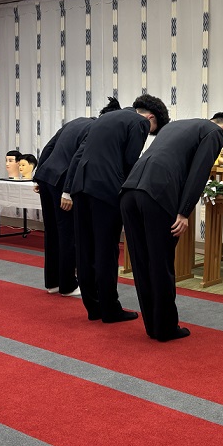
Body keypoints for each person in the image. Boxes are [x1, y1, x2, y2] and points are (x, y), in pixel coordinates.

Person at [119, 112, 223, 342]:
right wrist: (184, 211)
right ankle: (165, 328)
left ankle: (152, 326)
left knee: (142, 263)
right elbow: (199, 173)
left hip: (129, 192)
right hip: (156, 194)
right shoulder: (214, 132)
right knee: (161, 262)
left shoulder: (176, 125)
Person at [64, 94, 170, 323]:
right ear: (151, 117)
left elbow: (80, 154)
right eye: (152, 129)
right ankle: (110, 309)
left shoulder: (105, 118)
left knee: (85, 248)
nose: (148, 132)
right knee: (106, 249)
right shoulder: (139, 122)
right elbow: (130, 161)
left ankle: (93, 307)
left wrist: (68, 188)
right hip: (106, 189)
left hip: (81, 186)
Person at [33, 97, 121, 297]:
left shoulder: (76, 122)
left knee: (52, 232)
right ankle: (67, 285)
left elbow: (48, 147)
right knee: (68, 234)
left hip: (47, 177)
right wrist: (68, 190)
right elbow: (78, 159)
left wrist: (39, 177)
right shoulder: (97, 129)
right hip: (62, 183)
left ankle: (53, 282)